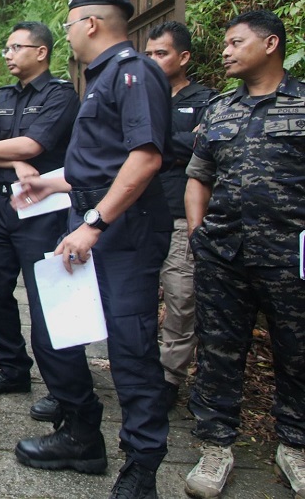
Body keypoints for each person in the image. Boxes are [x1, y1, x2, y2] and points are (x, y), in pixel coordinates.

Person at [10, 0, 173, 498]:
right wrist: (49, 182)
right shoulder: (100, 78)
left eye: (69, 24)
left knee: (130, 351)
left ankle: (141, 468)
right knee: (56, 330)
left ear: (91, 24)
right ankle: (81, 435)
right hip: (90, 222)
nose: (68, 34)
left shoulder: (135, 72)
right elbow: (99, 166)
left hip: (123, 236)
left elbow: (144, 159)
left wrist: (94, 224)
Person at [182, 10, 305, 499]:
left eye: (236, 42)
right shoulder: (220, 109)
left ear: (270, 44)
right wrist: (198, 234)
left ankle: (294, 445)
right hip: (223, 256)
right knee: (218, 352)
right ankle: (215, 447)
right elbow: (198, 176)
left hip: (288, 259)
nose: (227, 51)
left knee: (297, 352)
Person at [0, 21, 79, 425]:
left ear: (41, 52)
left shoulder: (60, 96)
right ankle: (12, 368)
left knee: (45, 297)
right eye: (7, 47)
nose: (8, 54)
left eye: (17, 47)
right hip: (1, 206)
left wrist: (0, 148)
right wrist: (10, 155)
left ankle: (61, 387)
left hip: (43, 208)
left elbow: (34, 145)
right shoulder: (2, 96)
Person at [142, 21, 214, 408]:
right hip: (137, 211)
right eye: (149, 54)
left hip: (179, 214)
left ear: (183, 57)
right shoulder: (137, 95)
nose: (153, 60)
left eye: (162, 53)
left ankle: (170, 376)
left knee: (181, 298)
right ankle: (141, 367)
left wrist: (156, 144)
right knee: (137, 295)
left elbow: (204, 148)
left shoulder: (206, 100)